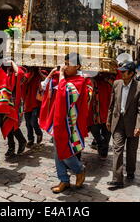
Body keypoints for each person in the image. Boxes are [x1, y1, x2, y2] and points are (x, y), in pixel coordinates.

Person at [39, 53, 90, 193]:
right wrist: (50, 76)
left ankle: (79, 169)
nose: (65, 67)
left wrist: (61, 76)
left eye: (69, 64)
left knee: (64, 149)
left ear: (78, 66)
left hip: (71, 122)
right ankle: (63, 179)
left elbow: (65, 93)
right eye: (65, 63)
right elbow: (45, 89)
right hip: (58, 119)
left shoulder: (80, 80)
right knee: (57, 150)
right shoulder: (63, 78)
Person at [106, 62, 140, 190]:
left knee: (131, 151)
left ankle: (130, 171)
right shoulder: (116, 84)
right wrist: (108, 120)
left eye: (124, 71)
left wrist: (139, 126)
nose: (121, 73)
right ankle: (117, 179)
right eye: (121, 71)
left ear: (131, 73)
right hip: (118, 122)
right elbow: (112, 103)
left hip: (133, 124)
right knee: (117, 149)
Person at [5, 60, 27, 157]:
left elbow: (20, 74)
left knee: (14, 124)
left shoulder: (20, 71)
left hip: (16, 103)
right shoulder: (7, 72)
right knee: (7, 124)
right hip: (6, 102)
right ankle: (11, 147)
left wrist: (12, 62)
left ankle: (21, 141)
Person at [88, 74, 113, 159]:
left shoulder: (111, 82)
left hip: (108, 113)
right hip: (94, 114)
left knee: (107, 134)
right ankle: (100, 143)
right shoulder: (90, 81)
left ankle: (103, 152)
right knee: (95, 131)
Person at [23, 67, 44, 148]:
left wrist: (39, 72)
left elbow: (46, 80)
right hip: (28, 102)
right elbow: (24, 83)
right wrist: (31, 75)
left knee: (33, 121)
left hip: (37, 102)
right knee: (28, 123)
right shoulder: (27, 75)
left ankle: (39, 133)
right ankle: (30, 140)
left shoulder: (40, 74)